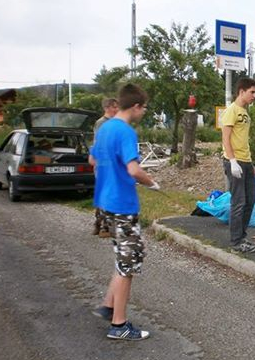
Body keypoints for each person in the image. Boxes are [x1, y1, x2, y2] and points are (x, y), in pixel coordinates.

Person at [90, 84, 158, 340]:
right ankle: (119, 325)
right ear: (137, 106)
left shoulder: (105, 127)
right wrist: (151, 182)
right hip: (122, 205)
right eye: (144, 108)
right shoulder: (126, 132)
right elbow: (133, 170)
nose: (144, 112)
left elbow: (93, 161)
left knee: (122, 256)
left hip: (105, 202)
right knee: (128, 264)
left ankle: (109, 306)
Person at [221, 78, 255, 254]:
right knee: (239, 202)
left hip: (245, 161)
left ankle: (242, 236)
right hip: (234, 162)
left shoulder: (245, 113)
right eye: (252, 92)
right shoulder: (232, 111)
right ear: (241, 91)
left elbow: (243, 140)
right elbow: (226, 138)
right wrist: (232, 161)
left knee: (251, 200)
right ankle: (236, 242)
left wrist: (250, 163)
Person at [92, 97, 119, 237]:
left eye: (117, 107)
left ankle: (98, 225)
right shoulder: (102, 123)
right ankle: (104, 228)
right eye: (114, 107)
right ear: (107, 108)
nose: (117, 109)